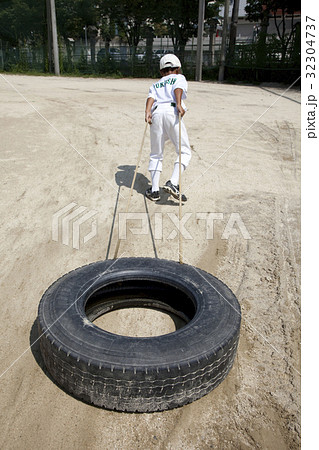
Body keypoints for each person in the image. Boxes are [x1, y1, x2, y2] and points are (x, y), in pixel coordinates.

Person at [144, 54, 191, 202]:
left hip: (156, 114)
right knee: (184, 151)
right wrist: (178, 103)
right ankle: (173, 182)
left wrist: (147, 112)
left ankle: (155, 190)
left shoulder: (156, 84)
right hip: (171, 112)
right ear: (178, 68)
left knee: (156, 153)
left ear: (161, 71)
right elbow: (178, 88)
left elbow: (150, 98)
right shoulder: (179, 78)